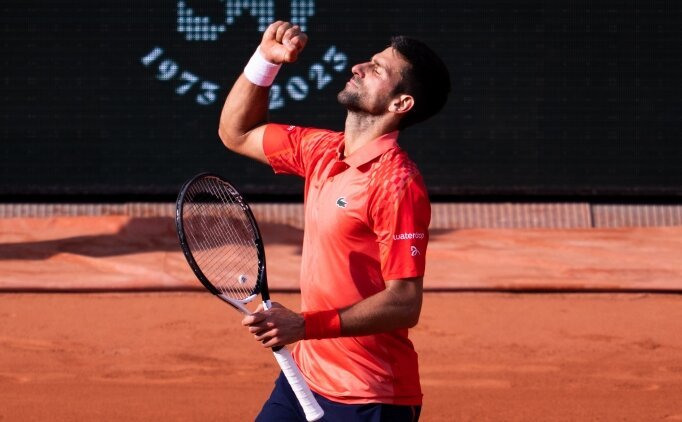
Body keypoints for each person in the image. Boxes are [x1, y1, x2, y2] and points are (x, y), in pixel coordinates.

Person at [218, 21, 450, 422]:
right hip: (304, 379)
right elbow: (236, 133)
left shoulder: (396, 183)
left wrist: (304, 326)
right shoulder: (321, 149)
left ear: (401, 104)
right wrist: (265, 62)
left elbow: (405, 302)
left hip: (369, 395)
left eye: (377, 69)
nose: (359, 67)